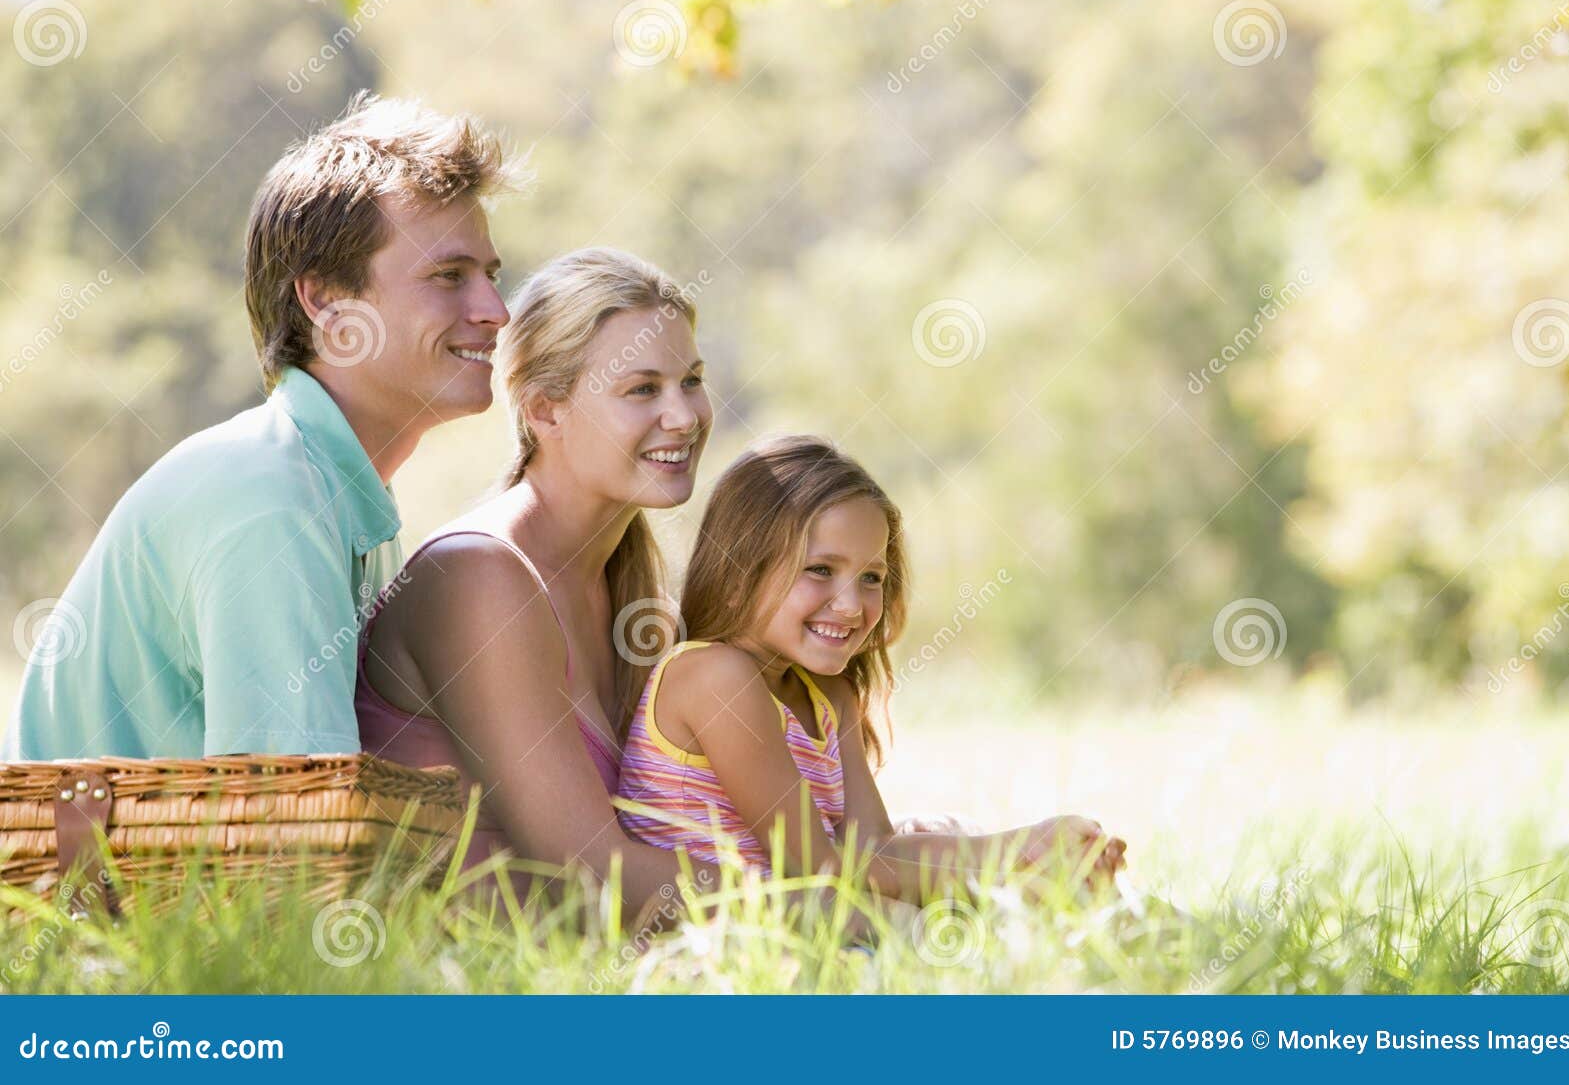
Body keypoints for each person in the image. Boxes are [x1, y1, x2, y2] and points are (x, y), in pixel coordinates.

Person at [3, 93, 511, 761]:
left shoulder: (336, 494)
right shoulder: (272, 500)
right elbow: (287, 840)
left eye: (490, 276)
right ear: (327, 301)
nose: (496, 310)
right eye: (449, 276)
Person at [355, 247, 718, 918]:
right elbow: (589, 878)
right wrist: (838, 898)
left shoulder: (637, 601)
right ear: (545, 410)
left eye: (691, 380)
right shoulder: (478, 575)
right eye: (643, 389)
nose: (684, 415)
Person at [615, 435, 1125, 899]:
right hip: (736, 939)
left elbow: (872, 850)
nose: (851, 606)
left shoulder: (829, 695)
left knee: (952, 842)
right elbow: (816, 871)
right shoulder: (712, 677)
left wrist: (1032, 845)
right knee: (978, 905)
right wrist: (1012, 874)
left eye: (871, 577)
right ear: (737, 570)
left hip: (826, 912)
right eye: (820, 570)